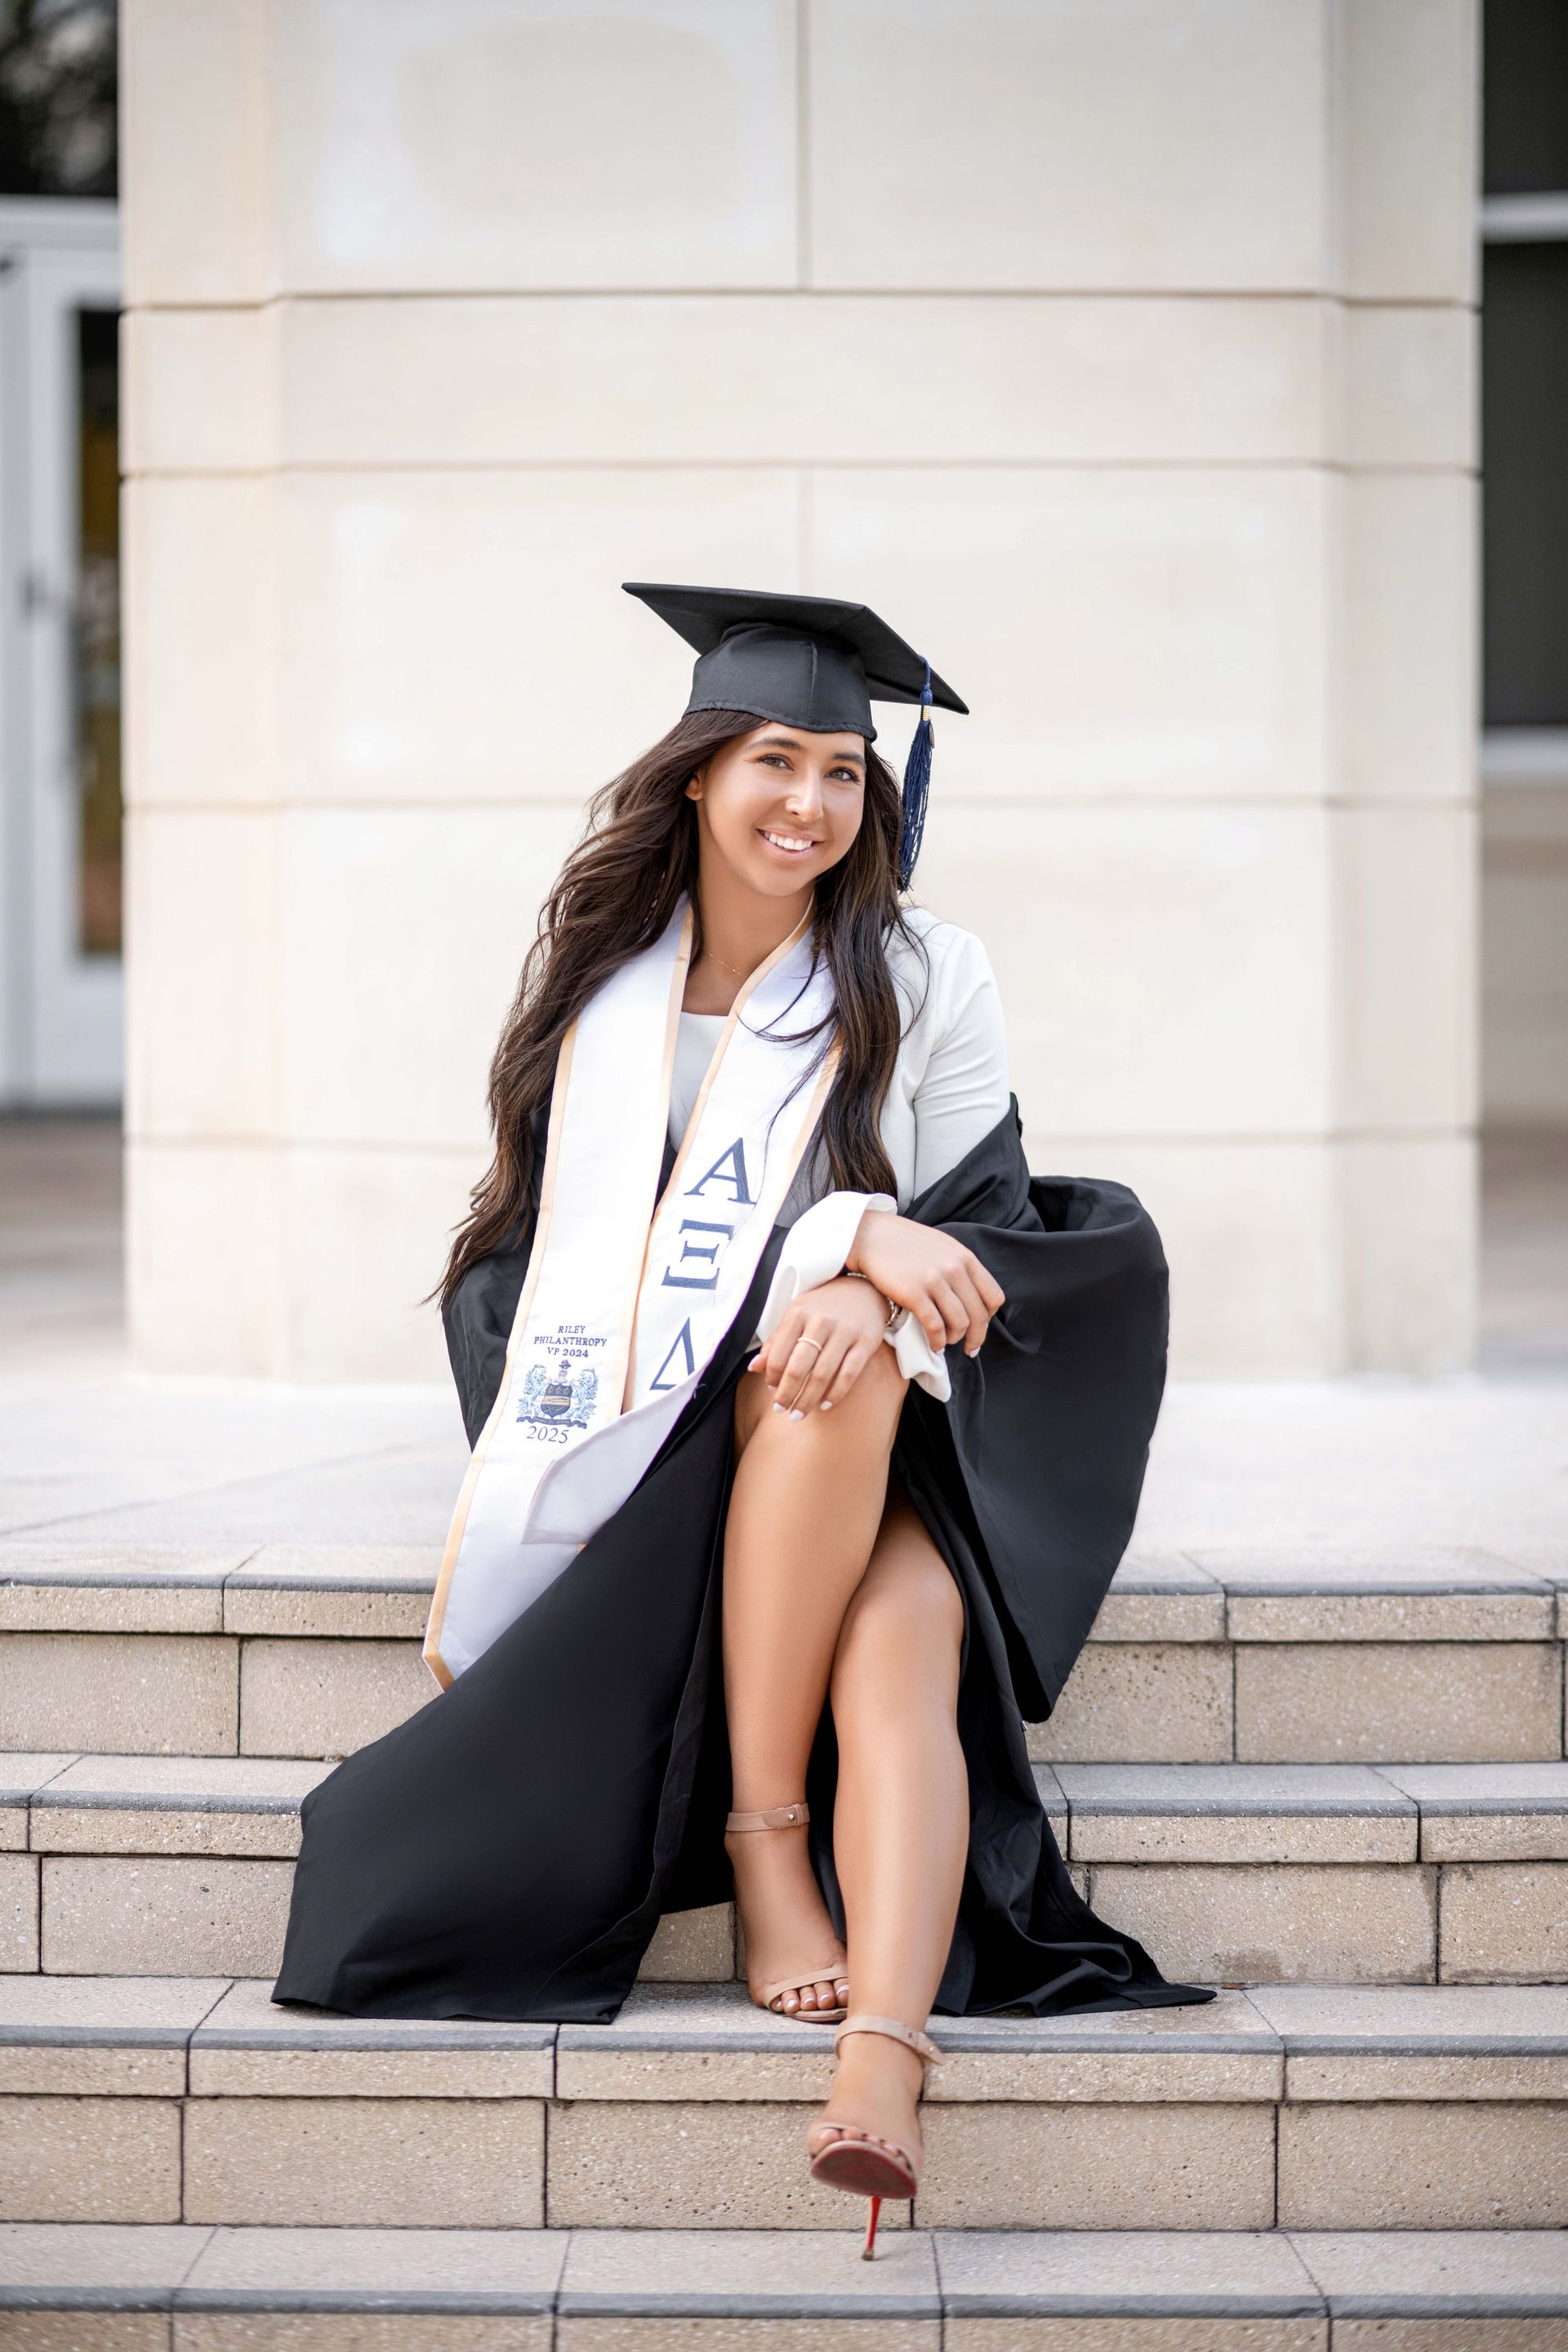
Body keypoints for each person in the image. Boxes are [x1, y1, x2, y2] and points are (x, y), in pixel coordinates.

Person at [274, 581, 1214, 2254]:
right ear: (699, 775)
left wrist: (860, 1275)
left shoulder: (928, 976)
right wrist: (844, 1238)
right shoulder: (601, 984)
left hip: (876, 1423)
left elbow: (979, 1222)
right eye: (776, 761)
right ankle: (799, 1895)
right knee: (860, 1510)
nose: (811, 804)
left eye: (848, 771)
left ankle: (873, 2059)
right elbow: (550, 1258)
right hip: (643, 1429)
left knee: (875, 1496)